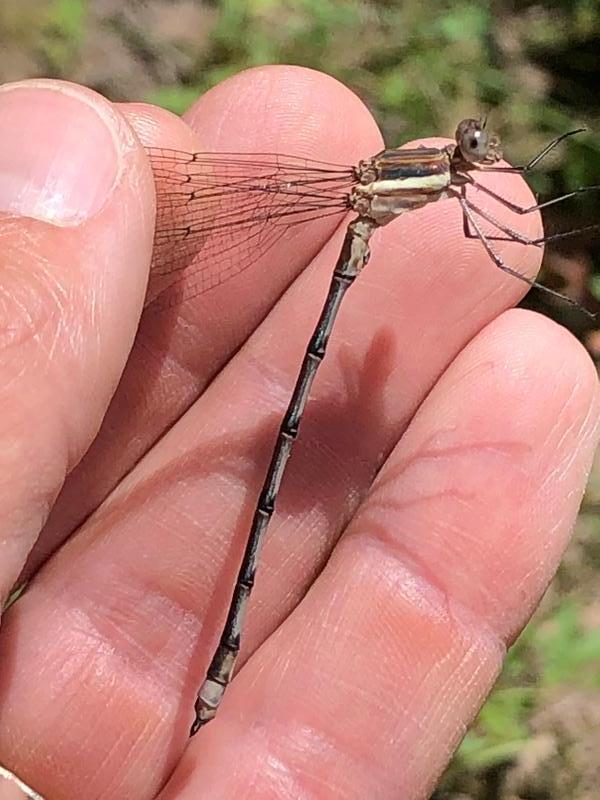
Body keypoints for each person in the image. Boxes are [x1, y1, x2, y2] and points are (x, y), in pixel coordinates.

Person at [0, 66, 597, 800]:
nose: (478, 155)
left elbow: (483, 218)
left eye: (476, 148)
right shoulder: (422, 181)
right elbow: (486, 227)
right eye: (473, 149)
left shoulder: (447, 177)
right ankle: (216, 672)